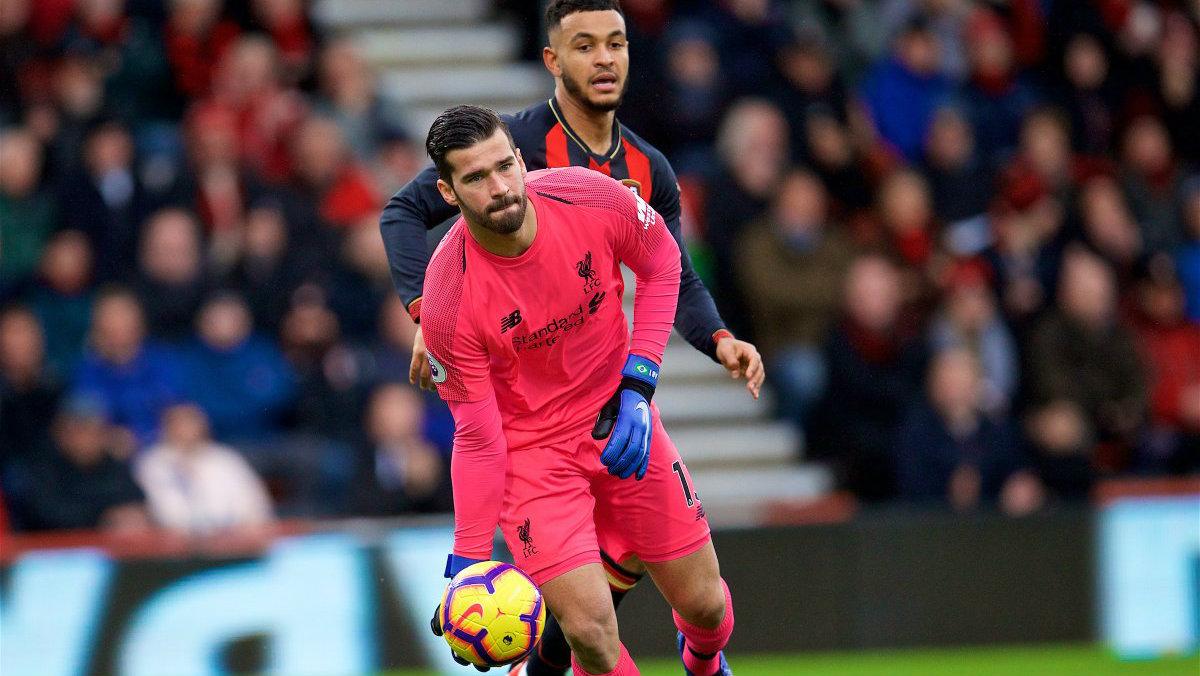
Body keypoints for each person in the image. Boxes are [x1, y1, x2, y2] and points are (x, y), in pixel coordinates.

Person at [380, 3, 757, 673]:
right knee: (590, 634)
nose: (500, 187)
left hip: (620, 417)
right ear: (448, 190)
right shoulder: (445, 299)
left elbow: (666, 263)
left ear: (518, 160)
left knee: (706, 606)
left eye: (504, 167)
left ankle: (702, 659)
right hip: (534, 460)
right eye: (476, 177)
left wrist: (641, 385)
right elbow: (477, 437)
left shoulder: (593, 195)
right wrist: (465, 563)